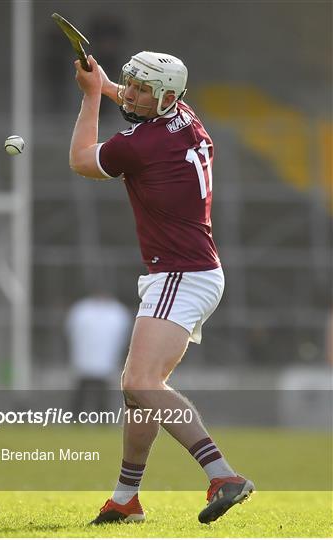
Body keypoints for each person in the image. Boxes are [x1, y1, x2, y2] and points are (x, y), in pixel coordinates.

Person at [69, 50, 255, 525]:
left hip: (180, 274)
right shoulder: (183, 116)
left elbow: (82, 161)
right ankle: (126, 499)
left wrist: (92, 98)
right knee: (141, 392)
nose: (129, 94)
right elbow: (139, 107)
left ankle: (222, 474)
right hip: (191, 271)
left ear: (166, 97)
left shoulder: (140, 144)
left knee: (139, 382)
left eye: (140, 88)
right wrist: (110, 85)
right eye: (129, 83)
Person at [64, 292, 131, 413]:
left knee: (102, 396)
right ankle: (77, 417)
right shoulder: (82, 310)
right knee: (82, 393)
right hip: (85, 361)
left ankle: (100, 418)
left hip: (103, 362)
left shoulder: (115, 312)